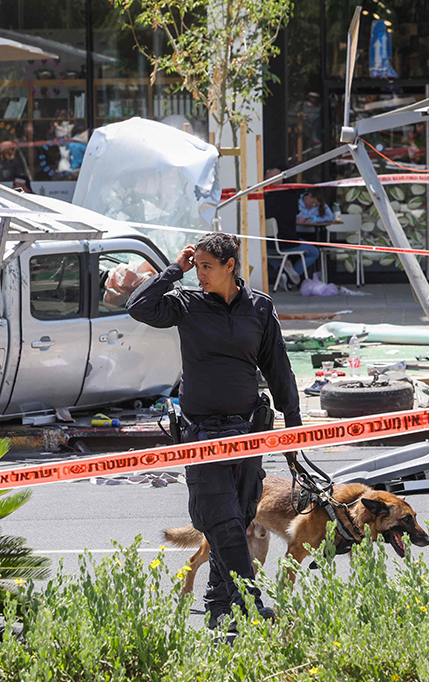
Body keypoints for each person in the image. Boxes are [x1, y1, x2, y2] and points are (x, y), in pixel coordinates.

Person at [126, 232, 302, 632]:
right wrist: (176, 269)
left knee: (238, 517)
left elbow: (279, 370)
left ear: (230, 267)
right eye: (197, 265)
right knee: (218, 517)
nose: (200, 274)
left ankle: (220, 608)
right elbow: (138, 306)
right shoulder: (186, 304)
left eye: (207, 267)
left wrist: (294, 430)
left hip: (247, 432)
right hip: (202, 433)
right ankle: (249, 601)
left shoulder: (259, 308)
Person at [263, 168, 319, 287]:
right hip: (288, 242)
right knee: (314, 252)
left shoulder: (261, 201)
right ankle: (289, 275)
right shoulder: (290, 197)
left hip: (266, 245)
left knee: (265, 253)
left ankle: (282, 267)